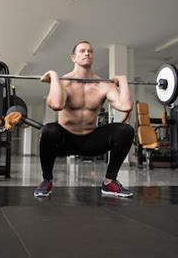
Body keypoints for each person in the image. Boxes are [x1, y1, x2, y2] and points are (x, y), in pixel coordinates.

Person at [34, 41, 135, 198]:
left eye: (90, 51)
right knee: (49, 130)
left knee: (125, 130)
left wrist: (122, 81)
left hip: (91, 140)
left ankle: (109, 182)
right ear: (74, 57)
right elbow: (56, 104)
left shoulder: (104, 85)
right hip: (65, 141)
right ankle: (47, 180)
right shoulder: (64, 82)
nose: (87, 53)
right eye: (82, 51)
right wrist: (54, 76)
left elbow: (126, 106)